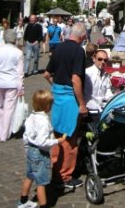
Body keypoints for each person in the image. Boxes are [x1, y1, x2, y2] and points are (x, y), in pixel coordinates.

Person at [43, 22, 88, 191]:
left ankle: (55, 171)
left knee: (57, 135)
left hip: (58, 97)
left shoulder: (59, 48)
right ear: (82, 37)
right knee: (70, 139)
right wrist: (82, 104)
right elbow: (76, 79)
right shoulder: (78, 51)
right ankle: (65, 176)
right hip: (70, 99)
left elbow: (47, 74)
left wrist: (56, 86)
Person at [18, 89, 67, 208]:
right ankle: (43, 205)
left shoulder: (30, 117)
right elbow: (42, 142)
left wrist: (27, 151)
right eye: (50, 104)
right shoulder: (44, 121)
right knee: (41, 183)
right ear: (47, 106)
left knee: (29, 176)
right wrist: (58, 141)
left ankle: (23, 201)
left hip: (31, 150)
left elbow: (26, 137)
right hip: (40, 153)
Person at [0, 29, 24, 141]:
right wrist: (21, 88)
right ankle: (4, 134)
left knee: (1, 106)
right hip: (12, 82)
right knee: (9, 108)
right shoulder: (18, 52)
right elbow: (20, 73)